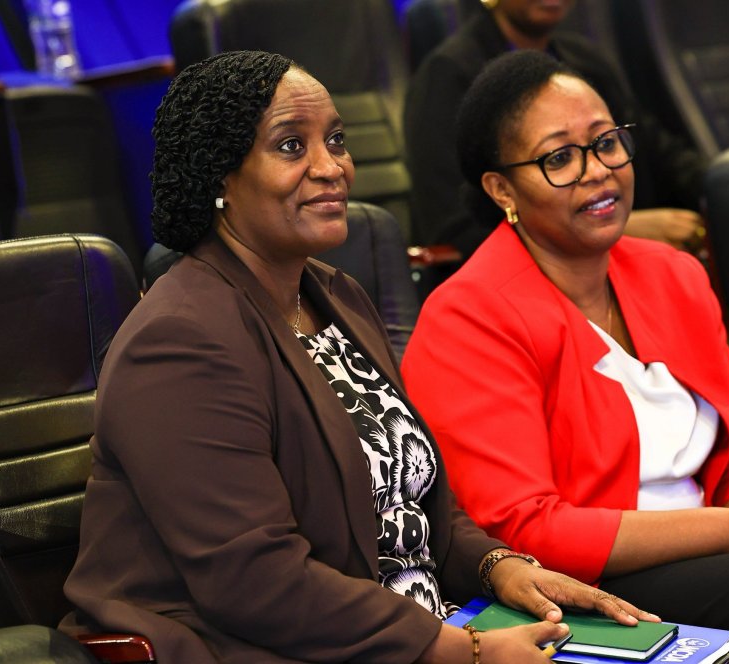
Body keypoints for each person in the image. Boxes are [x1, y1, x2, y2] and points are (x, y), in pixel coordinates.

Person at [57, 50, 659, 663]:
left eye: (336, 140)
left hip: (414, 632)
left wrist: (501, 568)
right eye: (291, 146)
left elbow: (411, 504)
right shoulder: (179, 341)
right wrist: (465, 652)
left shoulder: (334, 294)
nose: (333, 167)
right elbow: (254, 582)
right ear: (219, 177)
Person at [400, 49, 729, 662]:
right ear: (501, 189)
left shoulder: (673, 274)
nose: (597, 171)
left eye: (606, 143)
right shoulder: (468, 315)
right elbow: (524, 526)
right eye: (559, 158)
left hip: (718, 546)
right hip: (585, 583)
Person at [403, 0, 707, 260]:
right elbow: (454, 226)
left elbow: (660, 151)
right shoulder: (447, 74)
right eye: (559, 158)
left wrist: (725, 186)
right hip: (512, 282)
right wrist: (617, 224)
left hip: (614, 265)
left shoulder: (585, 60)